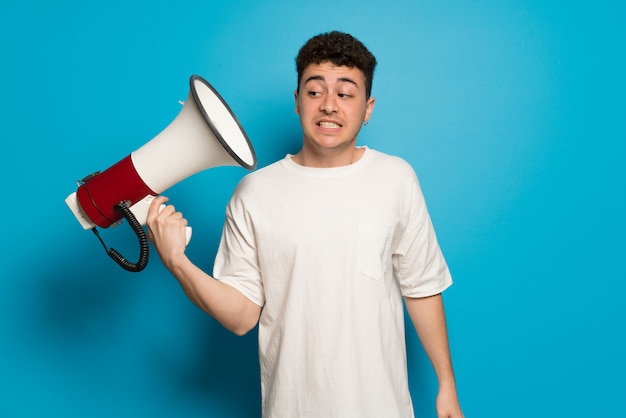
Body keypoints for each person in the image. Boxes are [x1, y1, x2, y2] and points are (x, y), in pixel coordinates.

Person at [147, 31, 463, 418]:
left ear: (368, 108)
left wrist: (446, 385)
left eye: (345, 94)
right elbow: (242, 316)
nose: (329, 105)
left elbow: (422, 286)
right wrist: (177, 262)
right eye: (315, 92)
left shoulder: (396, 179)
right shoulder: (254, 193)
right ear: (297, 102)